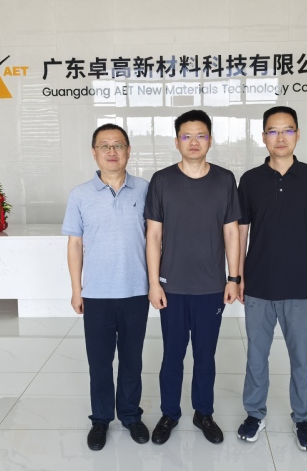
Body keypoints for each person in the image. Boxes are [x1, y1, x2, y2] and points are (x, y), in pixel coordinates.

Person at [236, 106, 307, 451]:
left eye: (288, 130)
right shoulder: (250, 180)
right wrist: (237, 276)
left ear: (298, 134)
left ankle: (304, 419)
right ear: (263, 136)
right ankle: (254, 414)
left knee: (301, 356)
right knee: (256, 357)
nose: (280, 137)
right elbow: (241, 231)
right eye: (273, 131)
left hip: (299, 284)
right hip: (258, 285)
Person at [145, 109, 241, 445]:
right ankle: (169, 413)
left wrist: (233, 278)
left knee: (205, 355)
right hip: (171, 286)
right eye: (187, 136)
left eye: (201, 135)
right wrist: (154, 282)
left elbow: (232, 232)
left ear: (210, 140)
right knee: (172, 355)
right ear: (177, 142)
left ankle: (204, 412)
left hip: (211, 286)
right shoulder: (162, 180)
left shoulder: (225, 179)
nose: (194, 142)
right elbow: (153, 236)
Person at [62, 123, 150, 451]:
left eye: (118, 145)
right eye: (104, 146)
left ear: (128, 151)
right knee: (99, 362)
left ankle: (130, 415)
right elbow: (75, 244)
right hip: (96, 294)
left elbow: (157, 239)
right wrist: (76, 289)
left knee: (131, 360)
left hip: (136, 291)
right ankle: (100, 419)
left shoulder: (145, 189)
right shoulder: (80, 194)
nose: (112, 152)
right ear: (94, 152)